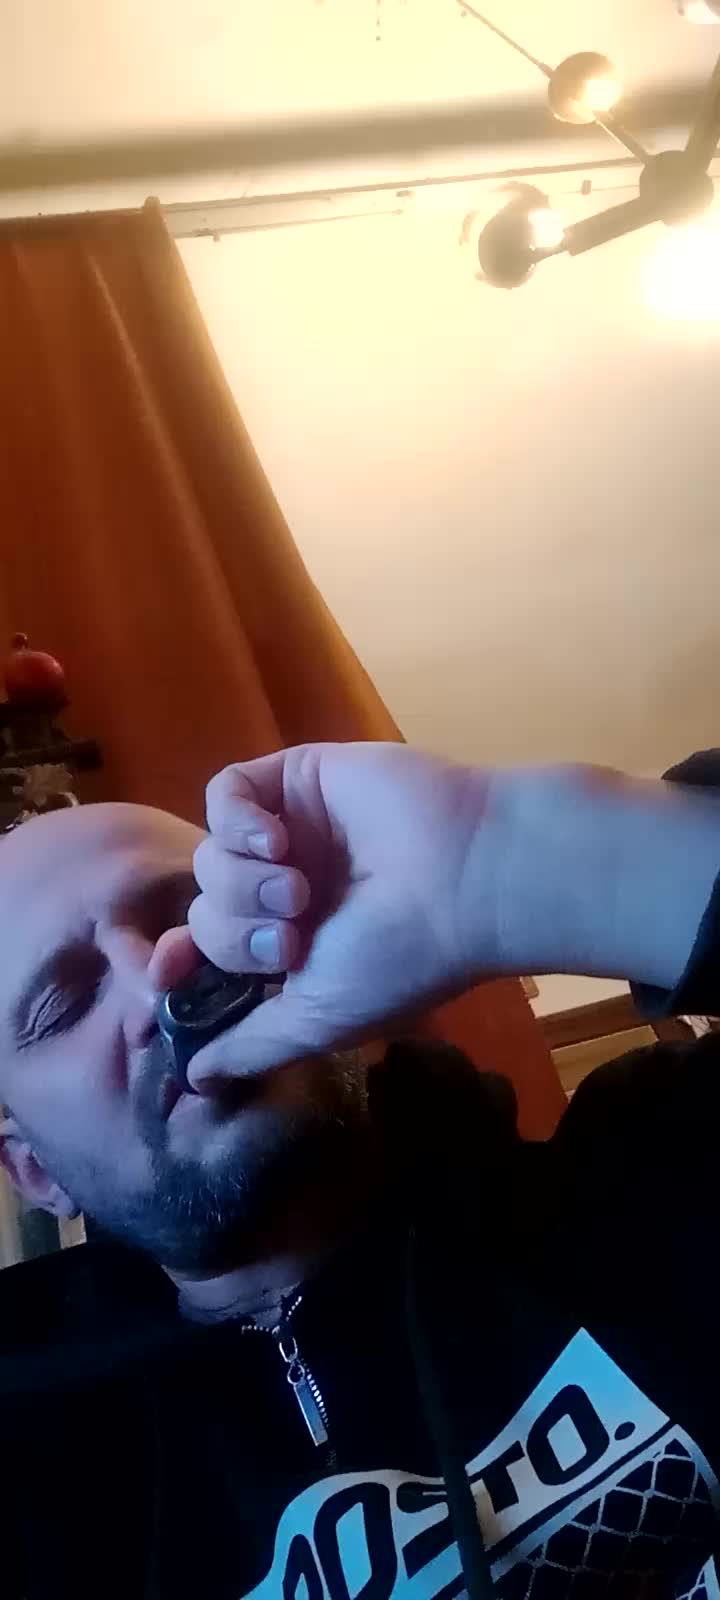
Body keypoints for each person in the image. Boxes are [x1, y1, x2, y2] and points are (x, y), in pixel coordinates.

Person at [1, 740, 720, 1600]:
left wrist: (501, 864)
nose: (157, 987)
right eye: (62, 1005)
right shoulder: (39, 1500)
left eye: (187, 913)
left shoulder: (668, 1160)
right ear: (33, 1169)